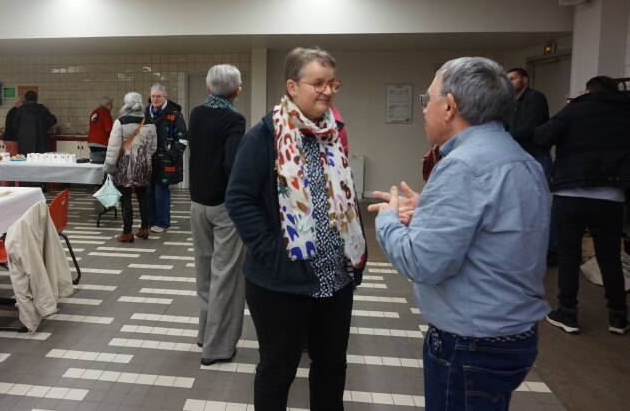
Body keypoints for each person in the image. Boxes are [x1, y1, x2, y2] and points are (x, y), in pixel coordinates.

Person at [368, 57, 550, 411]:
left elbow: (422, 263)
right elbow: (496, 228)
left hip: (471, 343)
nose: (425, 109)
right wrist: (429, 209)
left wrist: (388, 219)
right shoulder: (520, 158)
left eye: (428, 99)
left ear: (449, 106)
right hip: (513, 335)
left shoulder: (462, 166)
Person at [226, 47, 367, 411]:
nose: (328, 91)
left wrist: (357, 255)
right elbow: (239, 199)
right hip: (281, 283)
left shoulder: (333, 134)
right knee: (278, 370)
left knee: (332, 367)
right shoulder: (265, 136)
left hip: (335, 279)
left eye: (333, 83)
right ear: (292, 86)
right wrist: (272, 252)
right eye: (318, 83)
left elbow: (347, 197)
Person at [534, 75, 630, 335]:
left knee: (568, 255)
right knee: (610, 257)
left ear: (587, 91)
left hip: (571, 193)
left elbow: (542, 136)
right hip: (611, 196)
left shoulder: (576, 109)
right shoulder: (625, 111)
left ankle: (568, 313)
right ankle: (618, 317)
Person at [188, 65, 247, 366]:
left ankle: (204, 333)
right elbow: (231, 165)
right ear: (237, 91)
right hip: (224, 207)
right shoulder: (234, 119)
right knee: (226, 277)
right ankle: (217, 348)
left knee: (204, 270)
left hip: (197, 203)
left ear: (209, 88)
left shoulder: (197, 114)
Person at [505, 67, 556, 263]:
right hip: (518, 155)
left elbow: (530, 126)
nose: (509, 82)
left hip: (536, 155)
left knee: (541, 202)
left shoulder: (535, 98)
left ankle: (549, 249)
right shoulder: (510, 102)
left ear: (525, 80)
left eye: (513, 78)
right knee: (520, 203)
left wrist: (504, 139)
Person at [103, 92, 156, 243]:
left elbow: (113, 147)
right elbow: (153, 147)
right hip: (144, 165)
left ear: (126, 105)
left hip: (125, 166)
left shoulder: (120, 122)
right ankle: (144, 229)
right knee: (143, 197)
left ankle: (127, 233)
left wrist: (109, 166)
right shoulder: (150, 122)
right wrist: (142, 157)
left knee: (125, 198)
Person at [146, 83, 187, 233]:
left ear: (165, 97)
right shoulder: (145, 112)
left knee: (161, 191)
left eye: (158, 96)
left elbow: (183, 139)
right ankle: (149, 221)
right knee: (148, 191)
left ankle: (162, 223)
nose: (155, 99)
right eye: (153, 96)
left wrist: (171, 155)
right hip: (147, 159)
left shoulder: (174, 114)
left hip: (166, 161)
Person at [15, 90, 57, 155]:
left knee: (25, 160)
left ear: (25, 99)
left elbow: (14, 126)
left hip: (24, 143)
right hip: (41, 142)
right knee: (40, 160)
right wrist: (45, 127)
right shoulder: (42, 109)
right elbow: (53, 121)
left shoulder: (20, 110)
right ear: (36, 99)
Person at [0, 98, 24, 187]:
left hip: (7, 138)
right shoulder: (17, 112)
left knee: (8, 161)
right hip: (12, 139)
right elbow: (16, 127)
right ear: (21, 104)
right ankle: (16, 185)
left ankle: (4, 183)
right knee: (16, 162)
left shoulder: (12, 110)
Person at [88, 96, 113, 163]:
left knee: (95, 163)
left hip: (91, 142)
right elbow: (109, 129)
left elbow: (92, 125)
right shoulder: (106, 113)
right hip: (101, 143)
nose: (112, 107)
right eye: (111, 105)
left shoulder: (94, 112)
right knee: (102, 164)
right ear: (108, 105)